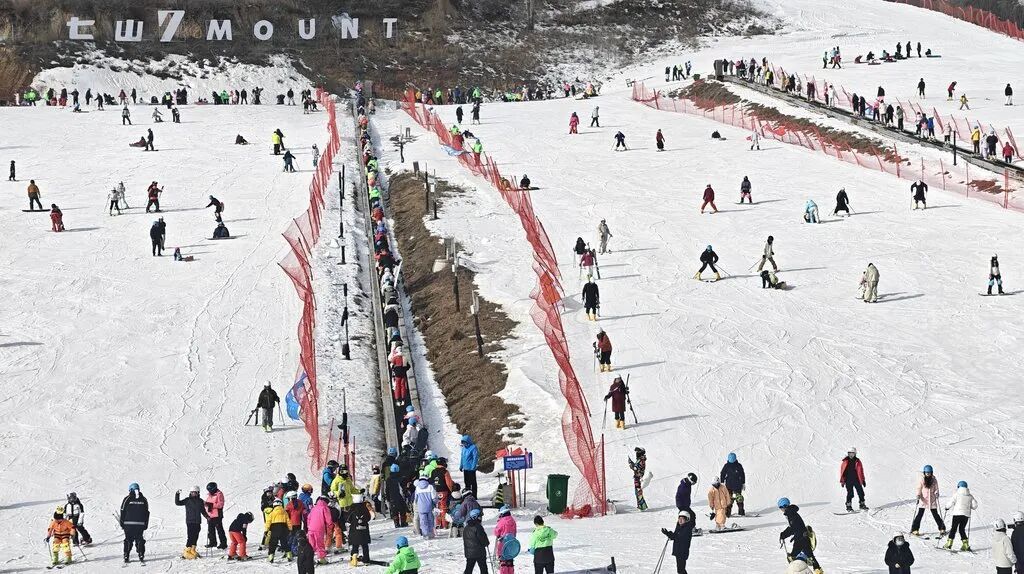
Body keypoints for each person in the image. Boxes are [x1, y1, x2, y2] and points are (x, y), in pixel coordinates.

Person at [779, 498, 822, 572]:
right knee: (810, 557)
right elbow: (793, 527)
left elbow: (794, 528)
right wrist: (784, 534)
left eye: (780, 507)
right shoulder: (791, 512)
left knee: (793, 557)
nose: (780, 509)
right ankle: (818, 570)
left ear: (784, 506)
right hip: (803, 538)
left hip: (801, 539)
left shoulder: (791, 513)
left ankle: (798, 570)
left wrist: (785, 535)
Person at [909, 465, 946, 536]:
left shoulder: (934, 479)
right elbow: (919, 488)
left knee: (936, 515)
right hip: (923, 499)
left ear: (931, 472)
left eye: (929, 472)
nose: (928, 474)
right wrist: (918, 495)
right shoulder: (922, 479)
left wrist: (937, 493)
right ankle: (914, 529)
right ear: (924, 472)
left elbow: (936, 488)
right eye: (926, 473)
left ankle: (942, 528)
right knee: (920, 514)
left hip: (932, 500)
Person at [175, 486, 209, 559]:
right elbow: (178, 503)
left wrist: (207, 517)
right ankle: (186, 552)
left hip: (197, 521)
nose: (193, 493)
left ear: (198, 493)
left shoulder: (200, 501)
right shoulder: (187, 500)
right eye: (192, 492)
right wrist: (177, 494)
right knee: (190, 536)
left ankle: (193, 550)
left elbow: (203, 511)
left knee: (196, 536)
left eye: (195, 492)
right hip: (190, 521)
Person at [943, 480, 977, 551]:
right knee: (962, 529)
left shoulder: (956, 494)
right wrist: (970, 506)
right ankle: (965, 544)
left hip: (957, 514)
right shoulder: (970, 496)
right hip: (966, 515)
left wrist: (947, 507)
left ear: (958, 487)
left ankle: (949, 543)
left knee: (954, 528)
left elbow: (951, 502)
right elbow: (975, 506)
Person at [120, 483, 149, 563]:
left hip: (128, 524)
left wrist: (122, 523)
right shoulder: (144, 499)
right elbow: (147, 513)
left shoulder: (127, 498)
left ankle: (126, 555)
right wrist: (146, 523)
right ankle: (141, 554)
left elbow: (122, 511)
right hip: (140, 524)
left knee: (128, 539)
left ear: (130, 490)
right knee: (139, 539)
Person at [661, 509, 695, 574]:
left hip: (682, 552)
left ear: (687, 519)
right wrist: (667, 533)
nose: (680, 520)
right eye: (679, 518)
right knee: (680, 569)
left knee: (681, 570)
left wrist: (670, 534)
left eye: (682, 519)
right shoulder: (679, 527)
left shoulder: (687, 529)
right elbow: (675, 536)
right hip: (678, 551)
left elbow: (679, 537)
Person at [347, 493, 373, 565]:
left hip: (354, 530)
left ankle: (354, 558)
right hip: (364, 531)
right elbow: (368, 518)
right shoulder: (364, 508)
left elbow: (348, 519)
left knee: (355, 545)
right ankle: (366, 560)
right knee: (365, 546)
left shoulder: (352, 508)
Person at [462, 508, 490, 573]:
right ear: (476, 517)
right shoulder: (478, 527)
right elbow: (483, 538)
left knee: (469, 568)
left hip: (469, 553)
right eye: (480, 516)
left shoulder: (466, 527)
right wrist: (486, 543)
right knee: (483, 568)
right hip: (479, 552)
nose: (481, 518)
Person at [205, 482, 227, 549]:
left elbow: (220, 504)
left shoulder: (219, 494)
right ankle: (212, 542)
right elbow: (207, 503)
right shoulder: (209, 495)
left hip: (217, 515)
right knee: (211, 530)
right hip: (210, 515)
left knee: (219, 529)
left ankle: (223, 543)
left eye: (210, 490)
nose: (209, 491)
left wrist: (211, 505)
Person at [414, 474, 437, 539]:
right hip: (429, 507)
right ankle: (431, 533)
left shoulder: (417, 488)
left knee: (423, 522)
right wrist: (435, 504)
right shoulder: (430, 487)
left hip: (421, 508)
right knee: (430, 520)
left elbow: (415, 499)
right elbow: (434, 498)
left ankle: (425, 534)